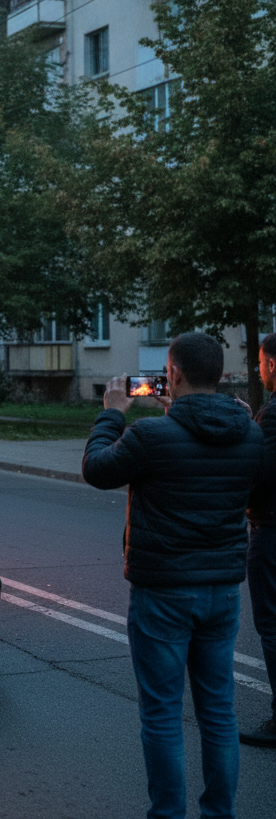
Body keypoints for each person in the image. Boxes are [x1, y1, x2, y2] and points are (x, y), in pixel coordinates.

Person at [82, 332, 264, 819]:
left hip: (163, 591)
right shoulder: (251, 432)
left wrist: (113, 412)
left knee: (162, 713)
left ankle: (167, 814)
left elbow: (97, 469)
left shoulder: (149, 437)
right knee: (219, 713)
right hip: (222, 591)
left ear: (173, 374)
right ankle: (218, 813)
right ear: (221, 375)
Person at [241, 332, 276, 747]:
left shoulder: (274, 415)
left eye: (262, 362)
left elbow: (261, 475)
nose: (259, 370)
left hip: (270, 531)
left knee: (270, 624)